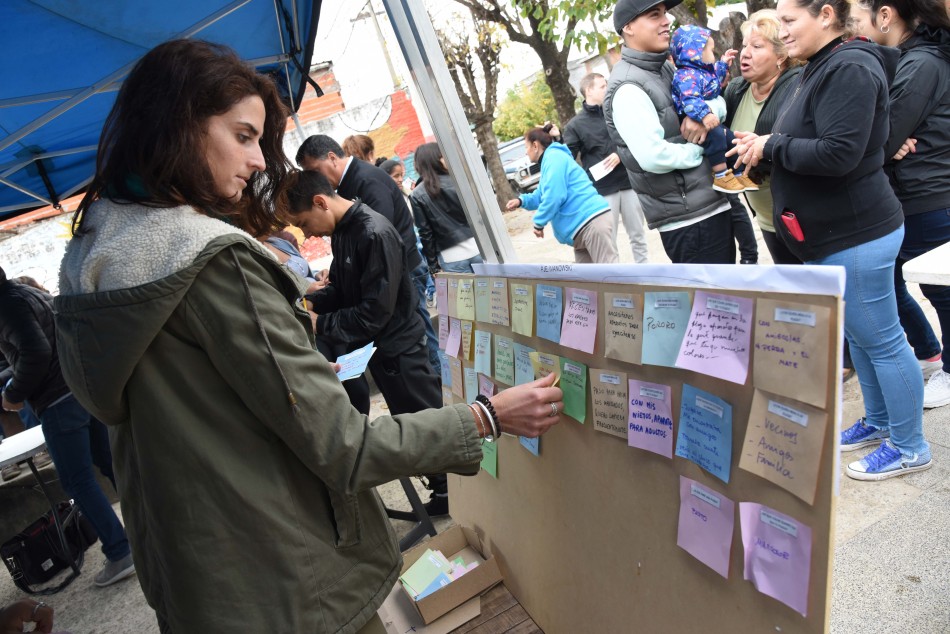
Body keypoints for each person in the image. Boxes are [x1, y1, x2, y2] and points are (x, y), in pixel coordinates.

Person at [54, 39, 563, 633]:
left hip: (204, 581)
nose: (256, 163)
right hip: (287, 580)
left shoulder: (97, 262)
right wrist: (486, 416)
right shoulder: (211, 263)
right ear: (178, 126)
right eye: (243, 136)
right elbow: (345, 446)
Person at [731, 0, 932, 480]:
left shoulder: (850, 66)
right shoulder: (824, 64)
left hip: (856, 232)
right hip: (835, 234)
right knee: (862, 339)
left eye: (789, 20)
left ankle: (909, 447)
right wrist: (764, 149)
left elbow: (840, 152)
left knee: (882, 341)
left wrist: (771, 145)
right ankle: (880, 421)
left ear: (825, 14)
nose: (782, 31)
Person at [288, 169, 452, 515]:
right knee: (411, 423)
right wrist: (315, 301)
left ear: (320, 202)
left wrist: (322, 323)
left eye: (303, 223)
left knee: (426, 421)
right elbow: (347, 287)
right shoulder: (346, 231)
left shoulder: (373, 232)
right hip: (381, 350)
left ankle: (454, 492)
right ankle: (442, 490)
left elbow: (373, 311)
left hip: (400, 347)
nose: (306, 235)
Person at [0, 267, 134, 587]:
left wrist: (14, 394)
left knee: (77, 481)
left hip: (58, 400)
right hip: (78, 387)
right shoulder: (25, 293)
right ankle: (154, 529)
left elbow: (36, 351)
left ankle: (121, 551)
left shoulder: (7, 306)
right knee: (112, 463)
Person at [851, 0, 950, 408]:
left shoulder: (922, 63)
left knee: (940, 291)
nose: (851, 24)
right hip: (916, 191)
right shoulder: (911, 58)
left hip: (928, 194)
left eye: (857, 16)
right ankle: (932, 356)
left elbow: (884, 137)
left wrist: (887, 145)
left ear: (886, 15)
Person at [296, 135, 442, 376]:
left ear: (332, 158)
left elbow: (377, 240)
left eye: (314, 171)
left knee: (422, 349)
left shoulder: (365, 181)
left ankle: (435, 383)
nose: (314, 180)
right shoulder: (345, 186)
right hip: (388, 281)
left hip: (402, 272)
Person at [605, 0, 734, 264]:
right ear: (628, 27)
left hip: (709, 203)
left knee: (729, 299)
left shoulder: (664, 66)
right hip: (688, 221)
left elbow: (713, 99)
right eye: (655, 15)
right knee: (714, 302)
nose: (666, 21)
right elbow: (653, 157)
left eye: (665, 14)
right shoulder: (628, 86)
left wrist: (706, 116)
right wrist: (700, 148)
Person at [562, 73, 650, 263]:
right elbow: (566, 158)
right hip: (602, 191)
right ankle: (616, 281)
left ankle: (645, 275)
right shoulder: (574, 126)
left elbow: (634, 137)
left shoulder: (617, 112)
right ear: (588, 91)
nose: (607, 88)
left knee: (638, 235)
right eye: (602, 86)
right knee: (608, 242)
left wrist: (620, 153)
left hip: (628, 183)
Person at [505, 125, 619, 264]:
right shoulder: (550, 161)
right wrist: (521, 201)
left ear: (535, 145)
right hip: (581, 228)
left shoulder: (554, 158)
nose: (526, 152)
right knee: (588, 281)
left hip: (590, 222)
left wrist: (539, 223)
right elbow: (541, 195)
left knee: (610, 276)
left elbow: (555, 195)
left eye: (526, 147)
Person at [670, 25, 755, 193]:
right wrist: (705, 114)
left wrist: (723, 64)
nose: (713, 54)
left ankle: (738, 173)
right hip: (695, 118)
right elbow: (690, 100)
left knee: (730, 138)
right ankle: (721, 175)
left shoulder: (702, 72)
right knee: (716, 137)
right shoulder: (686, 76)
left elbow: (715, 79)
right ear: (696, 54)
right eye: (711, 50)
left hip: (705, 115)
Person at [410, 143, 484, 273]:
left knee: (463, 294)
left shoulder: (417, 194)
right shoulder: (459, 181)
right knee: (489, 292)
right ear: (436, 160)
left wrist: (433, 265)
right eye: (442, 156)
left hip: (450, 256)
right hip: (478, 247)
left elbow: (425, 233)